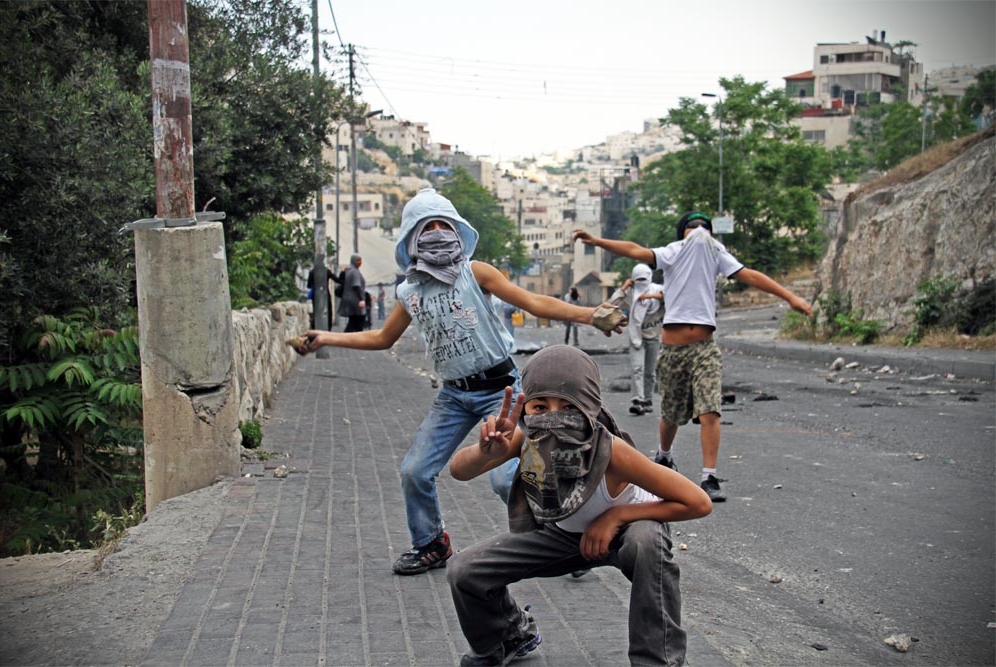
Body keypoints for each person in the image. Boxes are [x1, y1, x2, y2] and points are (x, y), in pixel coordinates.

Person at [295, 188, 626, 576]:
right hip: (454, 396)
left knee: (508, 479)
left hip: (502, 392)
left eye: (443, 225)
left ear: (456, 231)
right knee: (414, 471)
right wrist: (327, 336)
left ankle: (566, 536)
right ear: (412, 237)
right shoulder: (409, 292)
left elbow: (532, 302)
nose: (437, 232)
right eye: (427, 226)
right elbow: (381, 338)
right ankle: (431, 543)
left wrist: (591, 315)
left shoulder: (475, 273)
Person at [447, 345, 712, 667]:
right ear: (526, 406)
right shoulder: (525, 438)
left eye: (568, 406)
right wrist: (485, 452)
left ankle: (658, 660)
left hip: (629, 529)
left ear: (589, 407)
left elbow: (698, 502)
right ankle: (508, 635)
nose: (554, 416)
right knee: (464, 569)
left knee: (647, 543)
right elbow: (459, 471)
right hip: (563, 534)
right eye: (541, 406)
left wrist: (617, 515)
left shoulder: (612, 450)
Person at [574, 212, 813, 502]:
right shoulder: (673, 252)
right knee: (671, 415)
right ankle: (663, 457)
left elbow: (749, 274)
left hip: (705, 347)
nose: (700, 232)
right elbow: (635, 250)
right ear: (682, 233)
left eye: (705, 227)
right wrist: (595, 241)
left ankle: (708, 476)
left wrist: (790, 297)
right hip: (673, 349)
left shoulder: (716, 253)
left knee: (709, 409)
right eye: (693, 227)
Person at [609, 263, 665, 416]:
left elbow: (672, 296)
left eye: (643, 279)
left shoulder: (657, 289)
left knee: (650, 371)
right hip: (636, 337)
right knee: (637, 369)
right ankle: (637, 400)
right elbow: (611, 304)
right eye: (638, 279)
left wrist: (649, 296)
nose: (641, 282)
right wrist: (623, 288)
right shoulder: (630, 294)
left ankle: (647, 400)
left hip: (653, 336)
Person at [338, 254, 366, 332]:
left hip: (348, 298)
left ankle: (352, 338)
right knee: (359, 319)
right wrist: (361, 299)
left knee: (353, 320)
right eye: (358, 260)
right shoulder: (355, 271)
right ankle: (354, 338)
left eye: (360, 260)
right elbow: (356, 286)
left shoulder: (348, 270)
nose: (360, 262)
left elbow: (341, 280)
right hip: (355, 299)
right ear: (353, 261)